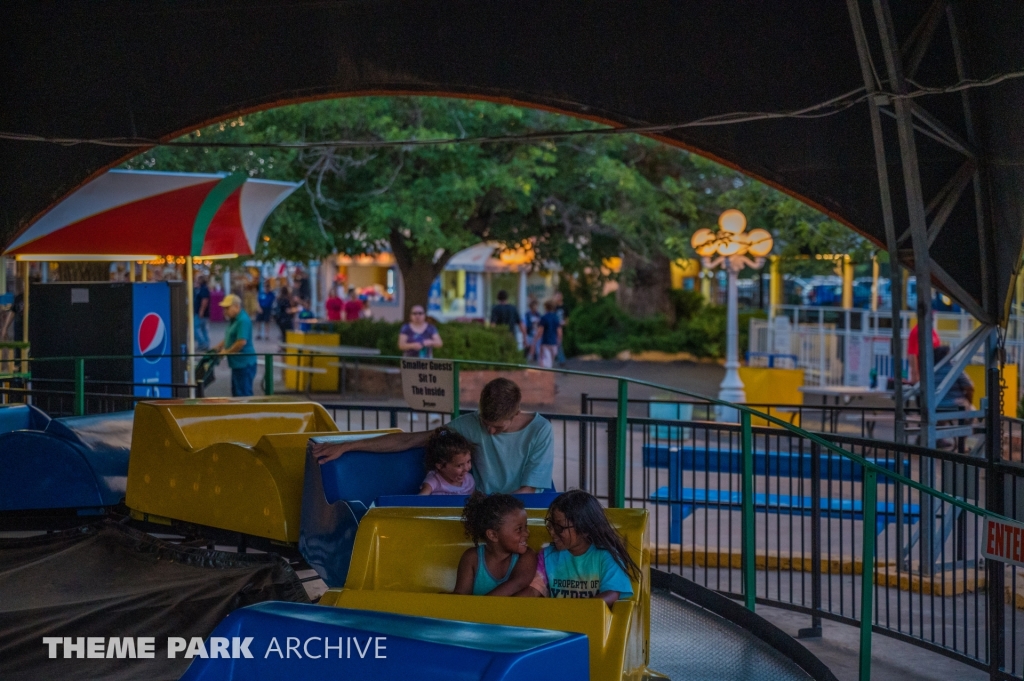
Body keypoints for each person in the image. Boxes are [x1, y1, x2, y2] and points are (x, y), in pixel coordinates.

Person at [313, 377, 553, 495]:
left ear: (516, 413)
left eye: (498, 428)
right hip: (483, 512)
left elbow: (527, 493)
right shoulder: (470, 424)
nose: (489, 432)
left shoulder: (540, 431)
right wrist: (348, 446)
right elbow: (410, 439)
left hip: (521, 513)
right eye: (485, 423)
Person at [519, 489, 638, 606]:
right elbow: (534, 589)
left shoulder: (606, 557)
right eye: (550, 524)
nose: (551, 531)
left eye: (559, 527)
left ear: (584, 529)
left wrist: (576, 610)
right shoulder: (547, 556)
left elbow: (612, 594)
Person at [454, 492, 538, 596]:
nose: (526, 533)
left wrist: (479, 608)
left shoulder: (527, 556)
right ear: (493, 535)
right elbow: (460, 598)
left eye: (526, 526)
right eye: (519, 529)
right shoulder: (472, 558)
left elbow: (518, 583)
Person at [215, 294, 257, 397]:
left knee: (243, 394)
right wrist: (219, 346)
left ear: (237, 306)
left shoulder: (243, 320)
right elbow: (231, 336)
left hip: (244, 364)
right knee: (237, 392)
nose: (225, 311)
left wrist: (226, 352)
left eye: (227, 308)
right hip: (237, 364)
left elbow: (241, 342)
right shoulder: (234, 320)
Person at [419, 427, 476, 495]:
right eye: (459, 465)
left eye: (468, 461)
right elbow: (420, 501)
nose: (467, 468)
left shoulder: (469, 480)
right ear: (440, 465)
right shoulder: (434, 480)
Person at [535, 300, 563, 369]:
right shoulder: (556, 318)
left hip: (546, 342)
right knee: (550, 363)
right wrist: (559, 342)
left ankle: (546, 378)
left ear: (545, 307)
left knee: (545, 364)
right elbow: (559, 332)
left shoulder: (544, 318)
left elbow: (540, 331)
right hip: (553, 343)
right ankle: (548, 377)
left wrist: (535, 340)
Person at [193, 275, 211, 351]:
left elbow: (204, 300)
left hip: (201, 313)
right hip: (202, 312)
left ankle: (202, 343)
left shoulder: (203, 289)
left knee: (196, 327)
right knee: (203, 328)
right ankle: (206, 343)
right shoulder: (200, 288)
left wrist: (201, 311)